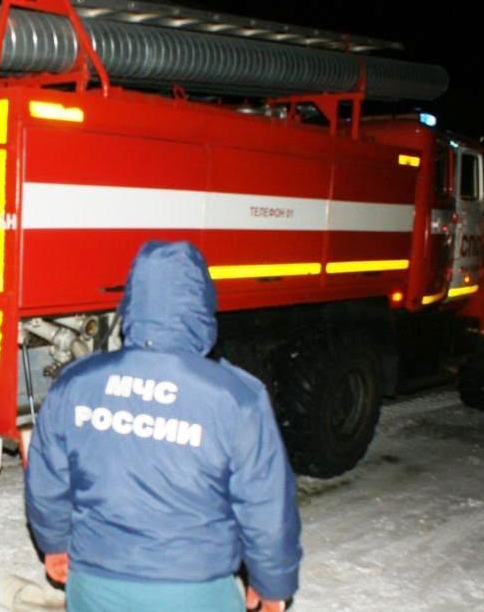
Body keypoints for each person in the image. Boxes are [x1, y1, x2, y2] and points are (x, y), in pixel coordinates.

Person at [25, 241, 302, 612]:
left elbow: (47, 481)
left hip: (97, 582)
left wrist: (55, 542)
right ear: (202, 306)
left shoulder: (77, 382)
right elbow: (265, 504)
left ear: (133, 300)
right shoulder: (236, 396)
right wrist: (271, 581)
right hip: (193, 590)